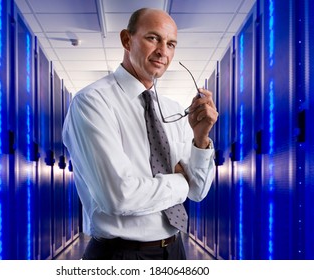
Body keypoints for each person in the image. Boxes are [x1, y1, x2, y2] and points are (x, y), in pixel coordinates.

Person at [62, 7, 218, 260]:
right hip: (119, 254)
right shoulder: (92, 103)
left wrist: (200, 139)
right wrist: (181, 180)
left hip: (175, 250)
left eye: (171, 44)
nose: (163, 52)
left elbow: (198, 191)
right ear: (126, 39)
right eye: (153, 38)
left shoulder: (173, 109)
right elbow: (119, 197)